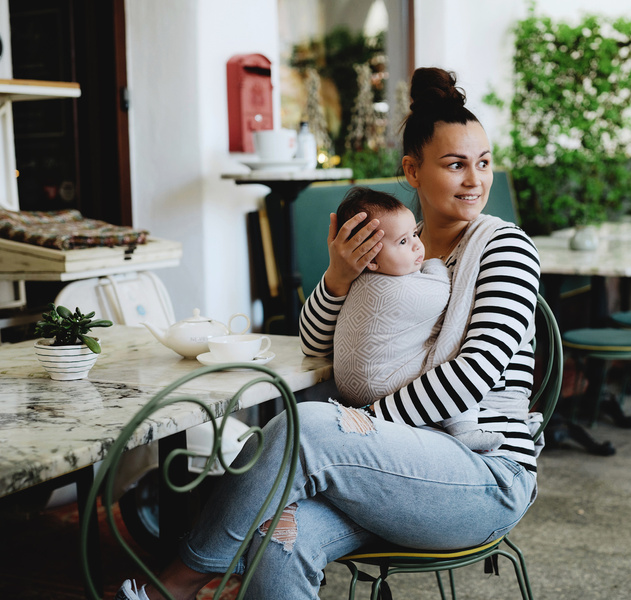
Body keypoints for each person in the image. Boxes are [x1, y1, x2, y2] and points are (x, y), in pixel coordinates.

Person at [116, 66, 541, 600]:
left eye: (482, 164)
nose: (475, 180)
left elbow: (476, 372)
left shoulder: (504, 248)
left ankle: (179, 580)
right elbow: (322, 351)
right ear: (412, 170)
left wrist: (357, 426)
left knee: (310, 427)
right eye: (455, 165)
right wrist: (338, 278)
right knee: (276, 541)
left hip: (482, 473)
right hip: (389, 469)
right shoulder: (390, 243)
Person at [331, 186, 504, 452]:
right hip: (386, 387)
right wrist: (434, 265)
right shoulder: (392, 289)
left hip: (353, 398)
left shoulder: (360, 280)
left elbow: (473, 371)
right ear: (368, 260)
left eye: (414, 234)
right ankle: (464, 427)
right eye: (403, 241)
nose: (416, 244)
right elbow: (444, 292)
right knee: (446, 352)